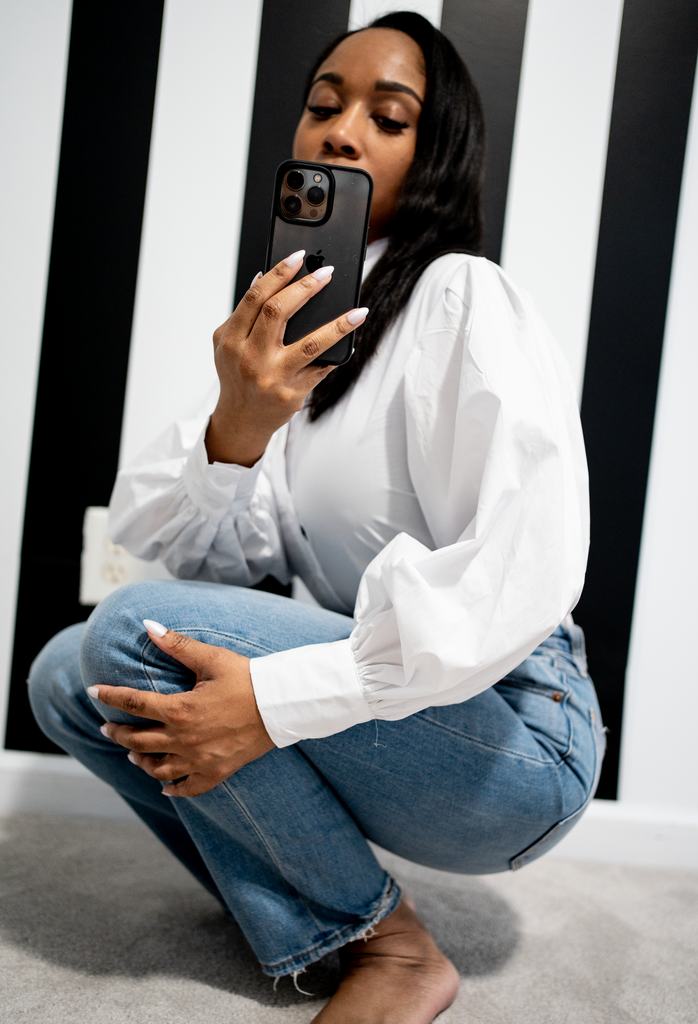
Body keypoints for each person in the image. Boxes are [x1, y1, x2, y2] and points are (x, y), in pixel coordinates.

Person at [28, 13, 605, 1024]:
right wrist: (237, 429)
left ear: (434, 153)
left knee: (129, 634)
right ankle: (312, 912)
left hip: (520, 735)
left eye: (385, 117)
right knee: (69, 677)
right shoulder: (285, 353)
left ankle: (391, 950)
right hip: (398, 716)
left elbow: (522, 562)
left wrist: (283, 697)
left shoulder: (459, 299)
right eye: (322, 106)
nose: (339, 132)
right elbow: (150, 539)